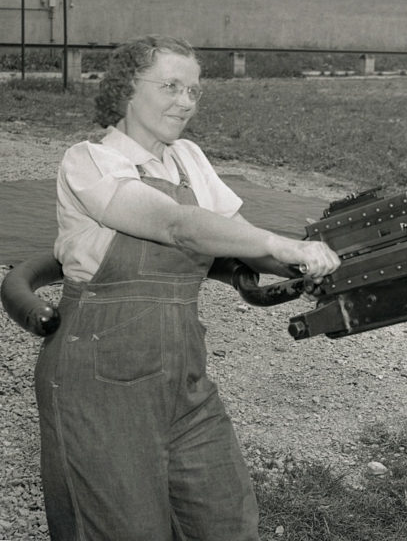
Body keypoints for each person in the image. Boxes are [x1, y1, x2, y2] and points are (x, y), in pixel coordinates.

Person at [34, 34, 341, 540]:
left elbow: (241, 240)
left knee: (226, 520)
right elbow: (178, 225)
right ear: (127, 89)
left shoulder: (188, 158)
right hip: (97, 378)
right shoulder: (89, 160)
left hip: (181, 372)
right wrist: (281, 243)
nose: (184, 101)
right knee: (123, 529)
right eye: (171, 86)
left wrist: (305, 264)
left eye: (194, 91)